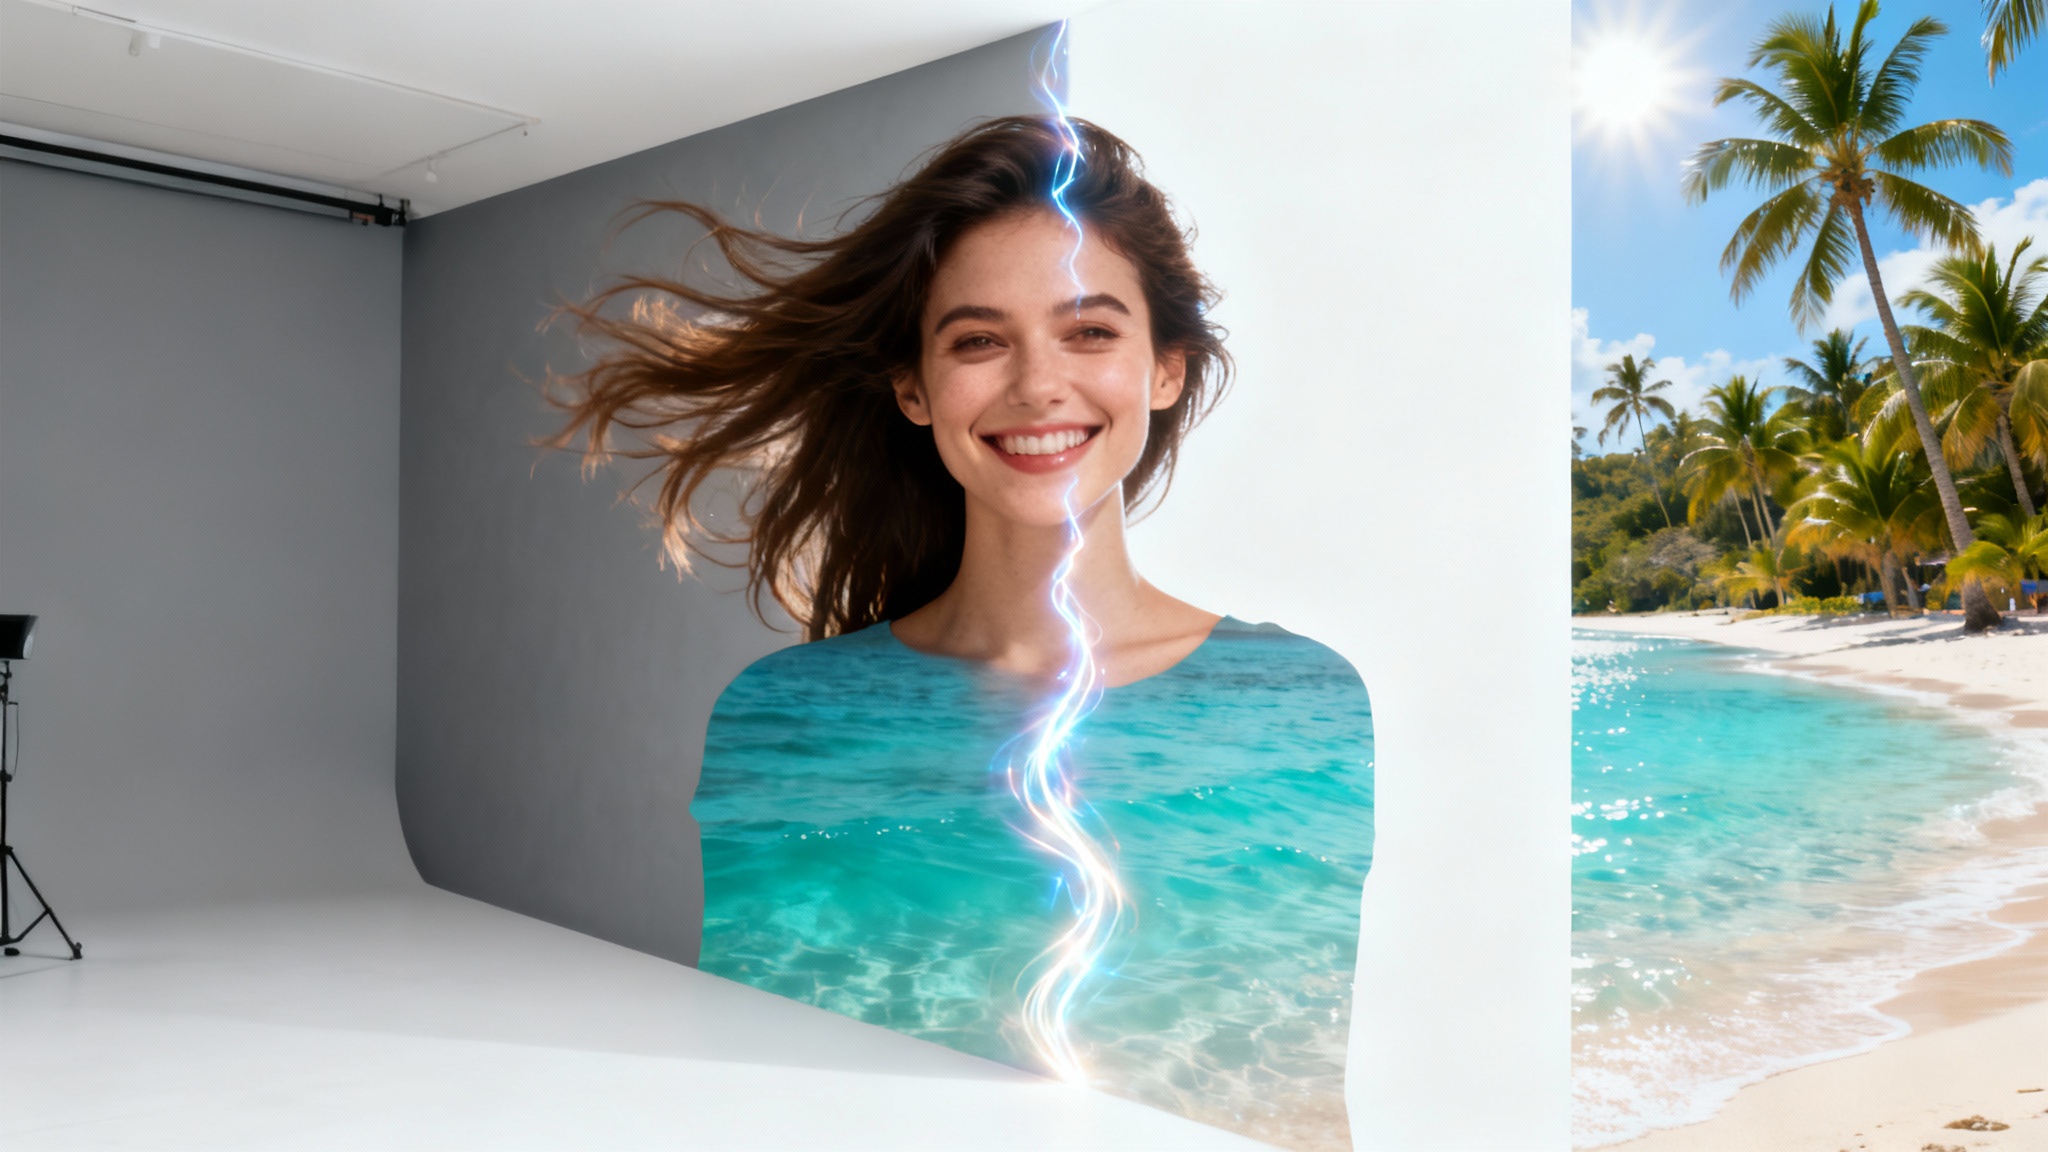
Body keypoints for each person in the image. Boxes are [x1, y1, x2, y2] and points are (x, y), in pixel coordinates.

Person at [554, 115, 1373, 1152]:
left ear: (1164, 369)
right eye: (979, 340)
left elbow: (1293, 1094)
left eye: (1089, 332)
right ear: (914, 387)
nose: (1037, 384)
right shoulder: (783, 715)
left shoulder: (1301, 700)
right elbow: (755, 1088)